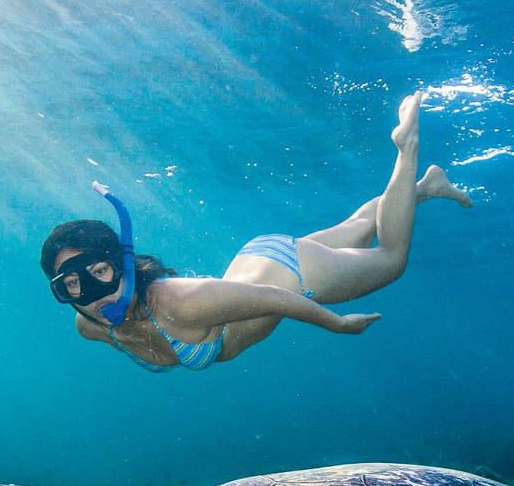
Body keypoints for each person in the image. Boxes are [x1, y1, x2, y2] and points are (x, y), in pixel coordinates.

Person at [41, 93, 471, 372]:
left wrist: (338, 325)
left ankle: (407, 150)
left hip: (292, 278)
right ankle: (426, 188)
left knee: (390, 259)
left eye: (98, 272)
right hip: (257, 260)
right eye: (72, 285)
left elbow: (276, 300)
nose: (92, 295)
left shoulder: (179, 303)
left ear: (124, 266)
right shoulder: (91, 325)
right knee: (357, 228)